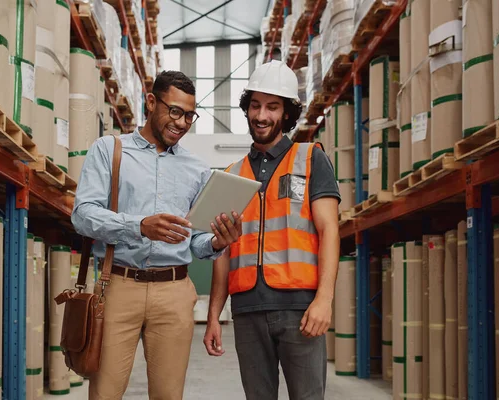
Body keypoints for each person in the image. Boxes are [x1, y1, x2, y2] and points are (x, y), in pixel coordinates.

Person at [72, 70, 243, 400]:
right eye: (175, 111)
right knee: (104, 393)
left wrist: (216, 242)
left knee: (168, 395)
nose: (181, 123)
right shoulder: (110, 150)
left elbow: (194, 239)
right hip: (118, 286)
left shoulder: (197, 169)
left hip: (175, 292)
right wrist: (137, 226)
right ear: (151, 102)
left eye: (190, 116)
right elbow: (82, 215)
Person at [203, 60, 341, 400]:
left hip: (300, 309)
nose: (261, 115)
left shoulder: (311, 159)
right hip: (247, 310)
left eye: (272, 107)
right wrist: (213, 316)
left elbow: (330, 231)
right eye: (255, 105)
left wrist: (324, 300)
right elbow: (222, 251)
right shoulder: (232, 173)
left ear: (287, 114)